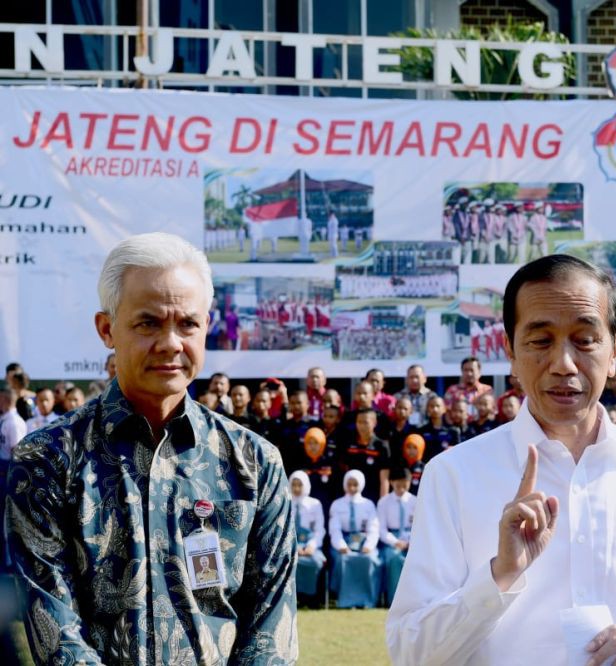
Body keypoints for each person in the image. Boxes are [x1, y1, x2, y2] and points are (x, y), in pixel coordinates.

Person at [387, 255, 616, 665]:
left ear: (615, 348)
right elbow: (411, 652)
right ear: (509, 349)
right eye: (540, 340)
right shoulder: (455, 475)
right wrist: (499, 575)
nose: (564, 363)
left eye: (585, 340)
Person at [6, 232, 296, 664]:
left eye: (188, 324)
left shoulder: (256, 463)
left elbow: (271, 632)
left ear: (207, 328)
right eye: (149, 322)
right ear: (107, 328)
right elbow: (56, 631)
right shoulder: (48, 460)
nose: (171, 343)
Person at [328, 470, 380, 609]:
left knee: (370, 559)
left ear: (361, 485)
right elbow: (334, 529)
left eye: (355, 484)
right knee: (343, 559)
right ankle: (346, 601)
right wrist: (341, 546)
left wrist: (369, 545)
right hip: (343, 541)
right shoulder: (337, 504)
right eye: (349, 484)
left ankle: (367, 601)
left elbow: (373, 528)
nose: (352, 488)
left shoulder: (368, 504)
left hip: (363, 541)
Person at [377, 467, 417, 606]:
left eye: (404, 485)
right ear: (392, 482)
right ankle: (395, 601)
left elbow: (421, 526)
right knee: (394, 559)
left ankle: (414, 600)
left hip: (413, 539)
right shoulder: (384, 502)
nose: (401, 489)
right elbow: (381, 529)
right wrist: (395, 542)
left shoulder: (416, 501)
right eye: (398, 485)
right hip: (392, 539)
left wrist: (411, 541)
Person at [289, 470, 327, 605]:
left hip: (311, 545)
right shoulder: (285, 503)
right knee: (288, 561)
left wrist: (311, 545)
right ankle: (292, 597)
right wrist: (294, 546)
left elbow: (319, 529)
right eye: (294, 485)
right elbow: (283, 529)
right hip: (291, 545)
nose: (297, 488)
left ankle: (311, 598)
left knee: (316, 561)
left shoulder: (315, 504)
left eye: (300, 485)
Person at [443, 356, 492, 422]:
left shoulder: (487, 390)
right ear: (461, 371)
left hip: (483, 429)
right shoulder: (452, 390)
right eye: (465, 370)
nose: (469, 373)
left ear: (479, 372)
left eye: (472, 370)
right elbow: (447, 413)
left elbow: (492, 413)